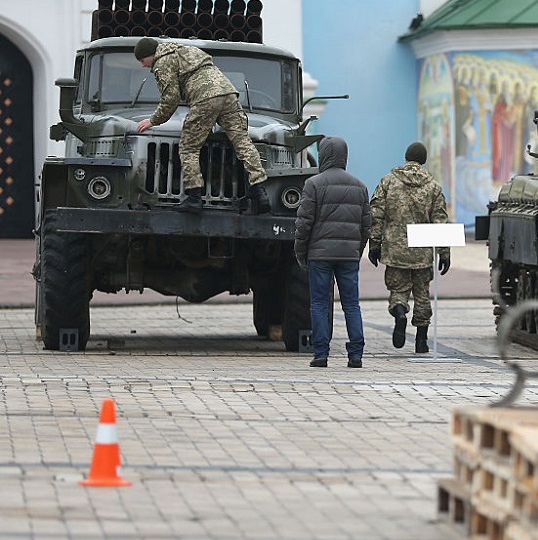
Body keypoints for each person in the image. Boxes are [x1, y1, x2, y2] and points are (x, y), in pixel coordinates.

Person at [133, 37, 270, 214]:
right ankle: (259, 191)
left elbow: (171, 99)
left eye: (143, 61)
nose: (144, 66)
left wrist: (153, 120)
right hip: (228, 93)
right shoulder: (186, 50)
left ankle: (194, 198)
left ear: (150, 55)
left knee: (188, 147)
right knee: (243, 142)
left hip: (205, 97)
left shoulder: (162, 62)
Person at [293, 136, 371, 369]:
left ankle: (321, 354)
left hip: (320, 255)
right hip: (348, 255)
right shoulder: (360, 186)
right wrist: (357, 251)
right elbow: (366, 226)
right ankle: (355, 354)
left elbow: (304, 223)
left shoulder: (313, 184)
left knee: (318, 303)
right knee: (351, 304)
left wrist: (301, 252)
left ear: (324, 154)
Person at [368, 142, 451, 354]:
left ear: (406, 158)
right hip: (422, 249)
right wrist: (444, 252)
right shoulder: (433, 187)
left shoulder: (388, 182)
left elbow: (376, 215)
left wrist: (374, 244)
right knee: (422, 294)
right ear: (424, 160)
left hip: (395, 249)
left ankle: (400, 314)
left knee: (398, 289)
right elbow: (440, 220)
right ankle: (421, 342)